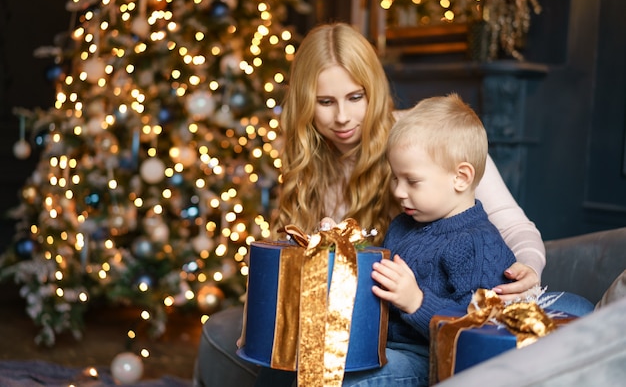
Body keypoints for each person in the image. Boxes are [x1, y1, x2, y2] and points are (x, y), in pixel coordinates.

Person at [193, 22, 593, 387]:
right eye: (325, 102)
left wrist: (528, 268)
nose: (343, 117)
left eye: (355, 96)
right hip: (380, 326)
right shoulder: (307, 168)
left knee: (575, 311)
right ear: (303, 103)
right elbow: (293, 272)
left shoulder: (423, 138)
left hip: (446, 318)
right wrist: (264, 318)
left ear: (374, 90)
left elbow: (507, 222)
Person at [340, 93, 517, 386]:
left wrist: (417, 302)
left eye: (412, 181)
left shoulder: (476, 244)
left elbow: (476, 329)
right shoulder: (402, 225)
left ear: (460, 178)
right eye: (395, 178)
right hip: (382, 345)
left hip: (430, 359)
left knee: (347, 380)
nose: (398, 191)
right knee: (302, 359)